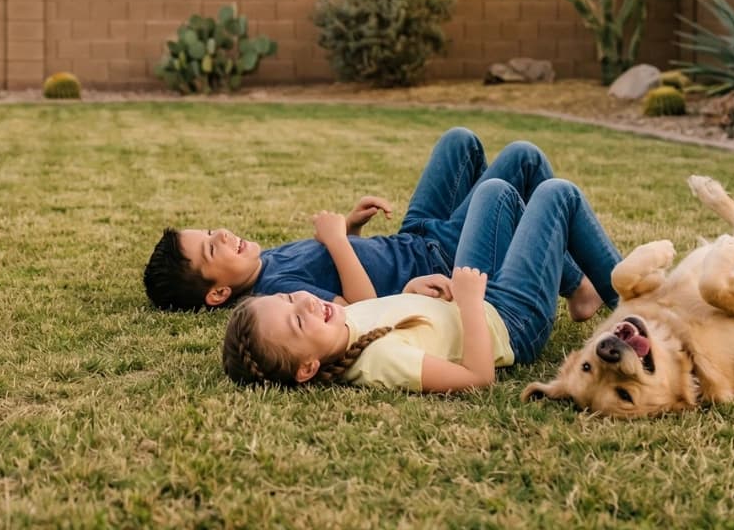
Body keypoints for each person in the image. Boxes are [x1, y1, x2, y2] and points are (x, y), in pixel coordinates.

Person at [142, 128, 616, 318]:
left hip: (413, 237)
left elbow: (337, 261)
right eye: (211, 250)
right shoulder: (276, 291)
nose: (221, 235)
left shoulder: (267, 260)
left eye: (209, 231)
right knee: (523, 158)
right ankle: (579, 288)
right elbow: (360, 307)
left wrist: (349, 228)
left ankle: (556, 271)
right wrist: (336, 240)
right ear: (219, 293)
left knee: (460, 142)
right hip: (442, 259)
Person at [221, 178, 620, 393]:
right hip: (510, 324)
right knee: (556, 193)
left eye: (291, 298)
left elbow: (389, 315)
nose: (306, 303)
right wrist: (468, 304)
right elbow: (477, 378)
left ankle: (582, 292)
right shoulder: (378, 363)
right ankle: (634, 308)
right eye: (296, 322)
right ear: (307, 368)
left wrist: (413, 290)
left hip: (473, 295)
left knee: (495, 192)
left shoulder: (341, 326)